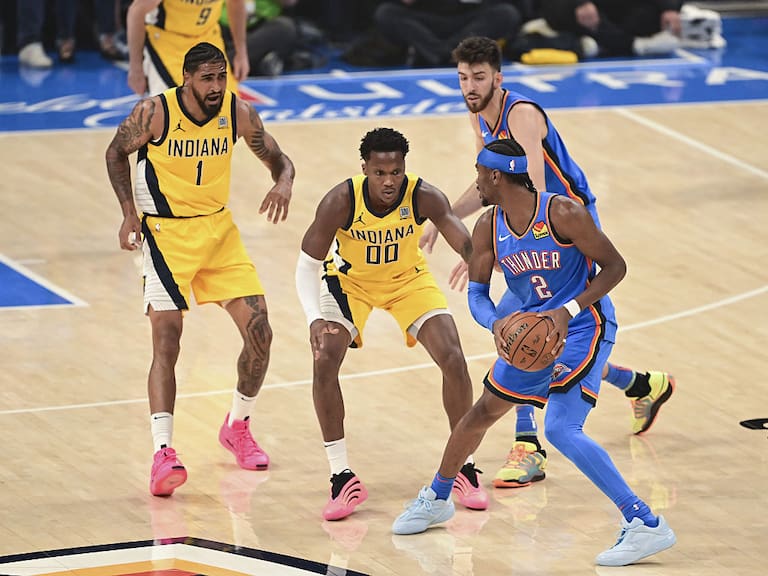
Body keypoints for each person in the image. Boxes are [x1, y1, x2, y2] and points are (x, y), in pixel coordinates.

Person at [393, 138, 677, 568]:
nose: (475, 185)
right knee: (482, 413)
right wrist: (497, 323)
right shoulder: (489, 225)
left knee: (562, 427)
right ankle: (437, 496)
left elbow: (616, 267)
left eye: (479, 176)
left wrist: (568, 310)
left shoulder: (563, 213)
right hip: (532, 332)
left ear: (496, 176)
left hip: (584, 325)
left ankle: (644, 523)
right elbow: (476, 293)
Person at [420, 35, 674, 490]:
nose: (470, 86)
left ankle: (528, 446)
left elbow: (531, 191)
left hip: (562, 220)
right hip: (526, 222)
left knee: (522, 319)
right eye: (462, 78)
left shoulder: (520, 115)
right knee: (534, 334)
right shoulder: (479, 113)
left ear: (498, 77)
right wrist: (446, 220)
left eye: (478, 77)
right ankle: (639, 384)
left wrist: (501, 248)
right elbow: (487, 184)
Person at [105, 42, 295, 496]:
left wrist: (284, 182)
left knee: (261, 331)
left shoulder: (238, 113)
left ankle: (238, 425)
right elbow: (116, 153)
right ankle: (163, 452)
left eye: (220, 77)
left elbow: (278, 158)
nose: (215, 86)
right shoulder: (155, 113)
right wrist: (129, 213)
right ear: (187, 79)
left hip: (218, 233)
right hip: (165, 237)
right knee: (168, 338)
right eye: (206, 78)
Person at [294, 127, 488, 521]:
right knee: (324, 359)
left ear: (404, 169)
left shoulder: (424, 195)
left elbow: (464, 241)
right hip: (351, 284)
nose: (388, 181)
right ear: (364, 168)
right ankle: (340, 476)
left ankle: (463, 466)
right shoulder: (340, 200)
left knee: (453, 356)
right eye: (380, 173)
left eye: (395, 172)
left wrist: (481, 263)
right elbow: (307, 264)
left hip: (407, 281)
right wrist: (315, 318)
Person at [126, 0, 249, 96]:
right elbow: (136, 11)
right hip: (167, 42)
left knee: (228, 112)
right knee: (170, 112)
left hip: (207, 36)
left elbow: (236, 2)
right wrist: (136, 68)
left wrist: (241, 53)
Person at [373, 0, 523, 68]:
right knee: (386, 13)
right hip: (427, 20)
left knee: (506, 13)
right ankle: (445, 54)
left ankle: (450, 53)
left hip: (467, 21)